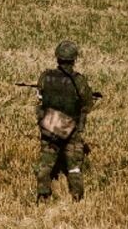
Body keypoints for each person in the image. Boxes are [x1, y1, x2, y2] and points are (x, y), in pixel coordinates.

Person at [34, 40, 96, 202]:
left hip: (50, 124)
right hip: (71, 127)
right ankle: (77, 197)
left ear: (57, 57)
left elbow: (40, 100)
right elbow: (87, 105)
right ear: (74, 59)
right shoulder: (78, 81)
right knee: (74, 166)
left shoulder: (45, 77)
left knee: (45, 164)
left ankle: (43, 195)